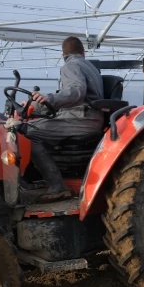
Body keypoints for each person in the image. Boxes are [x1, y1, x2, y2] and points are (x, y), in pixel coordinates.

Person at [23, 36, 104, 202]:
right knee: (33, 124)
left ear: (62, 55)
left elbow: (76, 92)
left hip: (81, 119)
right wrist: (38, 106)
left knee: (25, 132)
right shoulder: (90, 66)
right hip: (88, 117)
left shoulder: (71, 65)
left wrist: (49, 99)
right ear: (83, 52)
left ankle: (56, 185)